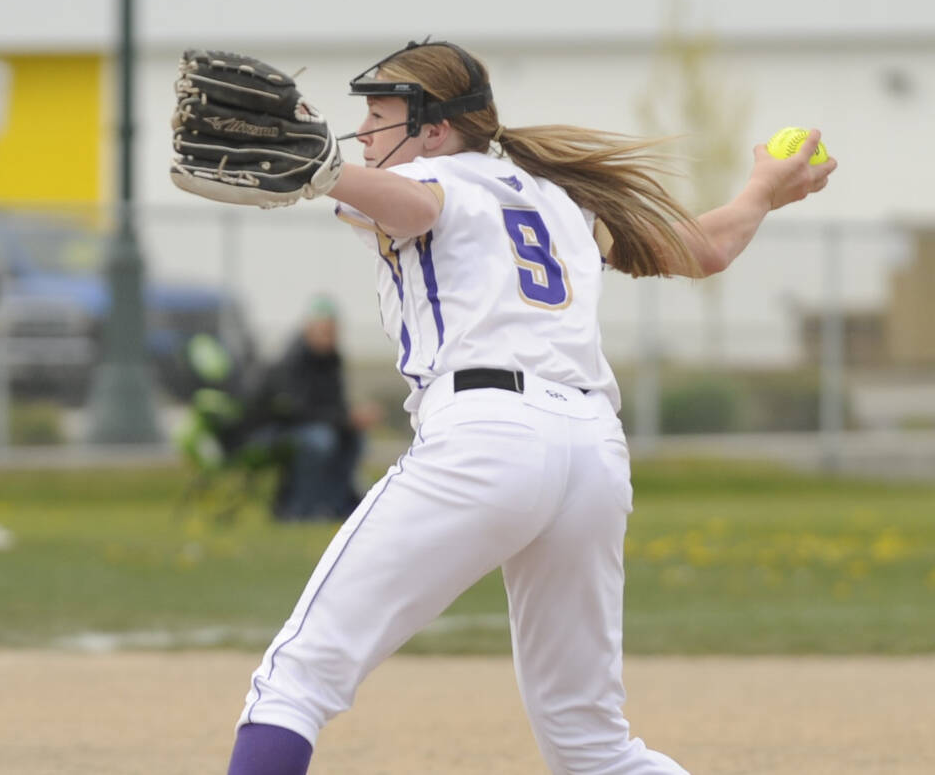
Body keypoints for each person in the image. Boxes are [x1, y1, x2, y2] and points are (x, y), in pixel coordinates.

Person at [221, 41, 837, 774]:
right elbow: (703, 248)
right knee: (593, 746)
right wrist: (762, 188)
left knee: (296, 679)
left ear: (435, 129)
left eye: (379, 117)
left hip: (488, 437)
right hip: (592, 454)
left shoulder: (425, 178)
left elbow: (418, 203)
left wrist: (325, 171)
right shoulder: (558, 199)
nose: (364, 134)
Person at [249, 297, 380, 521]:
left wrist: (352, 419)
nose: (328, 337)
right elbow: (296, 410)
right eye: (323, 331)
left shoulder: (332, 360)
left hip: (318, 425)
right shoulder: (293, 361)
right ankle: (299, 508)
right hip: (277, 430)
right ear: (309, 329)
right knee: (320, 441)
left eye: (332, 331)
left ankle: (336, 505)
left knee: (354, 439)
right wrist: (344, 418)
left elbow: (334, 403)